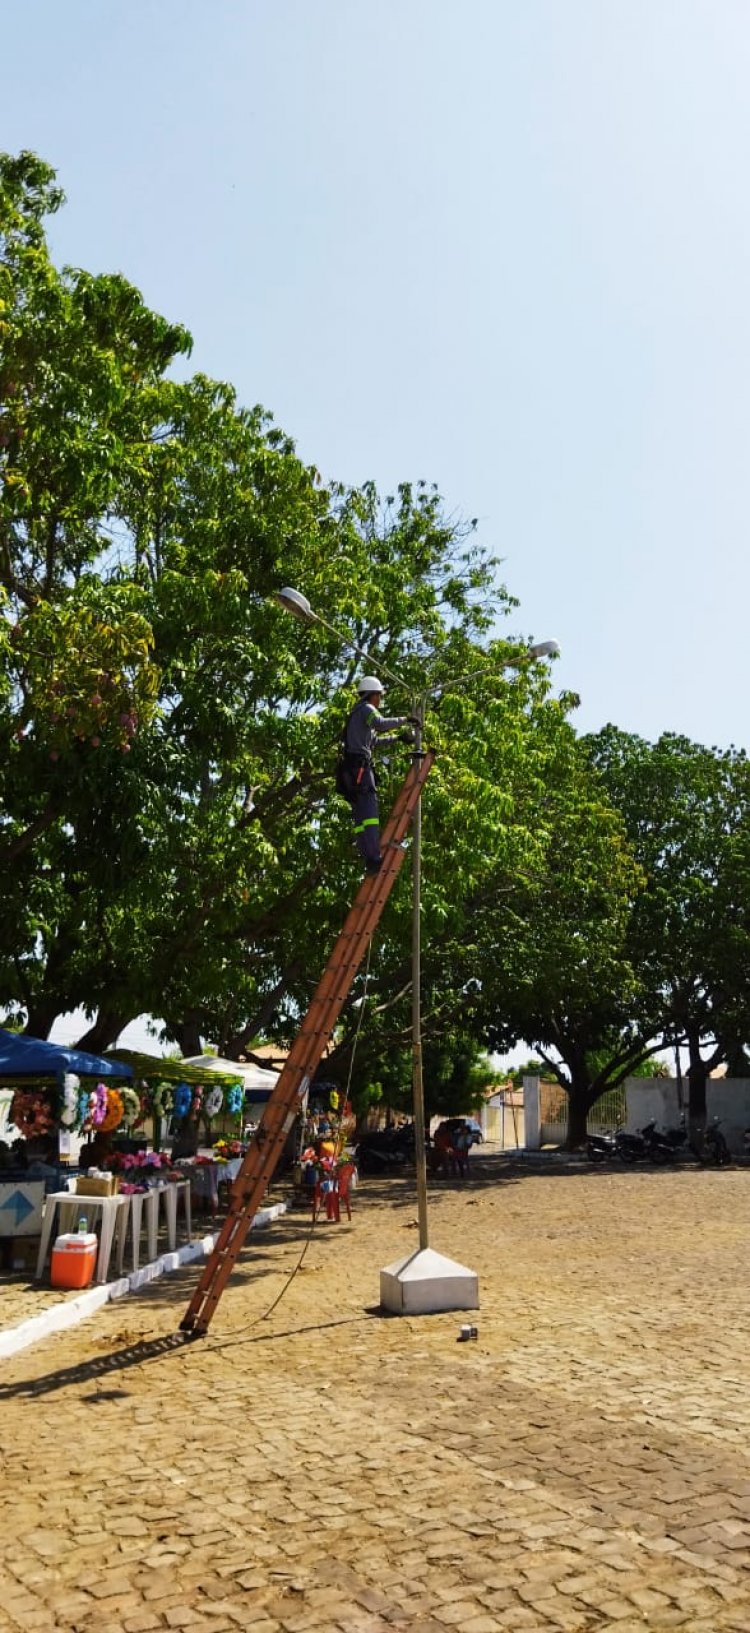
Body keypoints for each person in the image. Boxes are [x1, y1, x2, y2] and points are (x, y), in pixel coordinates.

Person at [339, 677, 414, 873]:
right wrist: (405, 719)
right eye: (379, 696)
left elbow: (374, 742)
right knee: (370, 814)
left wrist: (398, 738)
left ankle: (369, 859)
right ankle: (374, 856)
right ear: (372, 694)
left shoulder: (356, 715)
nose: (380, 700)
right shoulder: (366, 709)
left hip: (350, 773)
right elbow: (380, 724)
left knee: (361, 818)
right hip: (360, 771)